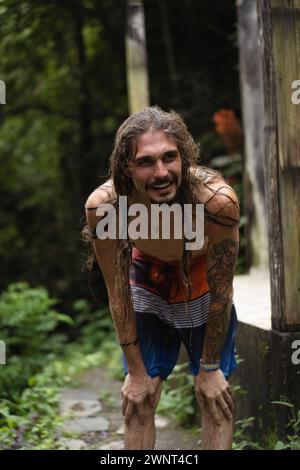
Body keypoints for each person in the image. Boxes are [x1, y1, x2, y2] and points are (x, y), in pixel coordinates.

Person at [84, 106, 240, 450]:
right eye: (145, 162)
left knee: (214, 395)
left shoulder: (215, 201)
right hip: (148, 277)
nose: (161, 173)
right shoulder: (106, 206)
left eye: (169, 158)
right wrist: (137, 372)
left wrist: (210, 367)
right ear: (126, 166)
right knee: (140, 396)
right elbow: (117, 288)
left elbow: (222, 289)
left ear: (184, 156)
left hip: (201, 280)